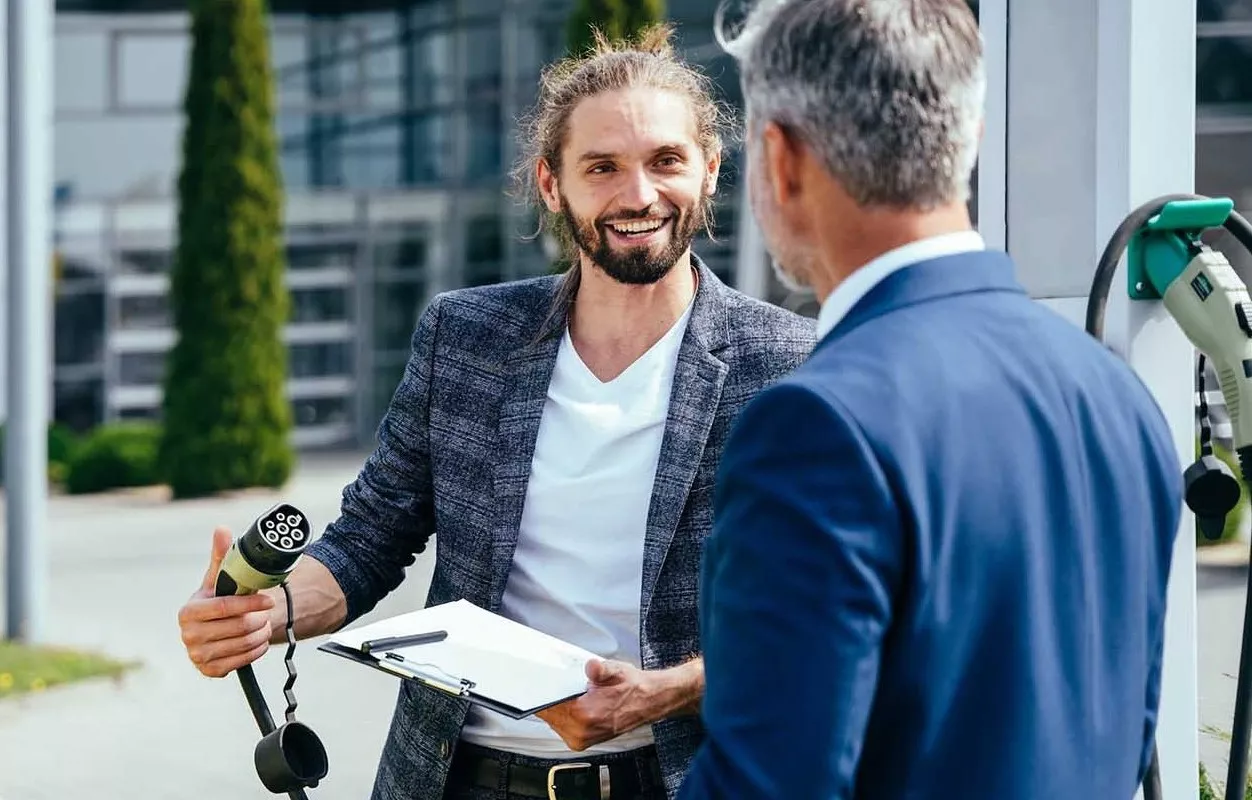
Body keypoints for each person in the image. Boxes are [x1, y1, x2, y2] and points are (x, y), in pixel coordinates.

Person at [176, 24, 815, 800]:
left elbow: (817, 618)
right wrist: (266, 612)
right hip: (459, 777)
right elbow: (371, 537)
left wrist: (667, 691)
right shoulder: (465, 336)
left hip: (678, 778)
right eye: (602, 167)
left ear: (710, 170)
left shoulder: (787, 364)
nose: (638, 195)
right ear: (551, 184)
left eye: (666, 162)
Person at [677, 1, 1184, 799]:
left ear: (781, 159)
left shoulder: (815, 426)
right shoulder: (1115, 393)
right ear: (968, 138)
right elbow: (1128, 736)